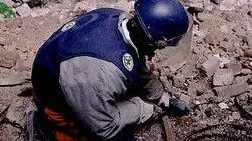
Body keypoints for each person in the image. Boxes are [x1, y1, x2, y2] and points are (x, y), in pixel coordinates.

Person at [29, 0, 192, 140]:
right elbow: (103, 128)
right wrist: (145, 108)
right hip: (55, 98)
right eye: (160, 46)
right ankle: (46, 127)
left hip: (76, 74)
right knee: (111, 135)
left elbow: (137, 64)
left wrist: (163, 99)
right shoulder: (101, 74)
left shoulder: (120, 19)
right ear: (152, 42)